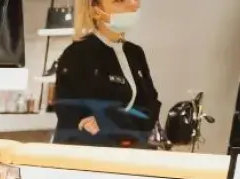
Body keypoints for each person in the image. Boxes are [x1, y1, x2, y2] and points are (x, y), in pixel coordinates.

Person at [52, 0, 161, 148]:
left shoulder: (135, 53)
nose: (133, 4)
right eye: (119, 1)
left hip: (131, 151)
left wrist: (112, 122)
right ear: (96, 10)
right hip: (89, 156)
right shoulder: (77, 54)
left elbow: (150, 107)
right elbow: (71, 113)